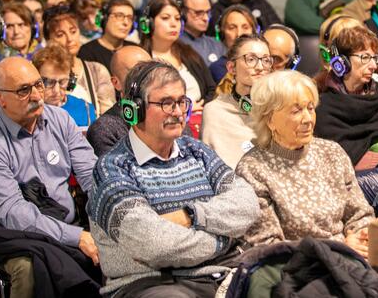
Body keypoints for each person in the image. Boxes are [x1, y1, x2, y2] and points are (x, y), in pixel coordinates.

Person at [88, 60, 260, 296]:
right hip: (152, 284)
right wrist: (226, 241)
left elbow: (247, 204)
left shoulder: (196, 150)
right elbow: (155, 244)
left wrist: (191, 215)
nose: (178, 112)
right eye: (167, 103)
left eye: (181, 102)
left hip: (222, 271)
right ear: (134, 110)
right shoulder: (112, 169)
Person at [235, 70, 374, 256]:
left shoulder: (332, 152)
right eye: (296, 111)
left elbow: (360, 214)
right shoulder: (252, 169)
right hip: (301, 267)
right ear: (269, 120)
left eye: (310, 108)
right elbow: (268, 246)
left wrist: (361, 236)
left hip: (353, 257)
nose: (308, 119)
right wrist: (340, 248)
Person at [0, 57, 100, 294]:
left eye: (38, 84)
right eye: (23, 90)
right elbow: (13, 213)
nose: (36, 96)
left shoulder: (60, 119)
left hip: (70, 222)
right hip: (19, 233)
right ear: (0, 98)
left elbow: (92, 176)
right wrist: (76, 237)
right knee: (37, 266)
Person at [314, 26, 378, 201]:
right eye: (365, 57)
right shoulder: (323, 105)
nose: (373, 65)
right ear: (342, 62)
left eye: (374, 58)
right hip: (345, 190)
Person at [202, 34, 273, 168]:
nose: (260, 67)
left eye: (266, 60)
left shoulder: (279, 108)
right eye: (251, 59)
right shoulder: (215, 111)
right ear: (231, 68)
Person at [139, 0, 216, 117]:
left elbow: (211, 89)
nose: (173, 24)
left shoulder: (189, 53)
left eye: (177, 19)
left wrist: (203, 107)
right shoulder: (140, 58)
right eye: (165, 18)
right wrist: (184, 108)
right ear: (148, 23)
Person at [42, 5, 116, 115]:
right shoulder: (39, 73)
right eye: (60, 35)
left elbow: (109, 117)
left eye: (73, 31)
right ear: (48, 40)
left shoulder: (97, 71)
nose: (70, 39)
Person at [86, 45, 151, 156]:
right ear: (116, 83)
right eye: (137, 72)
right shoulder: (105, 128)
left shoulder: (169, 111)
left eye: (151, 69)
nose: (147, 77)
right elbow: (115, 166)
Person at [33, 43, 97, 132]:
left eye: (62, 82)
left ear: (71, 80)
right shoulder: (29, 112)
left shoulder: (86, 109)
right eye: (49, 82)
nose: (56, 91)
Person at [77, 0, 137, 73]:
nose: (126, 22)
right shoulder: (87, 52)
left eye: (130, 18)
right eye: (119, 16)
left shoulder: (135, 50)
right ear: (104, 19)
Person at [209, 4, 258, 83]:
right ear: (222, 32)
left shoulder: (263, 62)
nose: (239, 34)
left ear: (254, 31)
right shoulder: (218, 68)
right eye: (232, 28)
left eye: (245, 27)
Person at [179, 0, 225, 66]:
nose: (206, 18)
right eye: (198, 13)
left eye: (208, 12)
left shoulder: (217, 45)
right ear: (183, 12)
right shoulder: (174, 44)